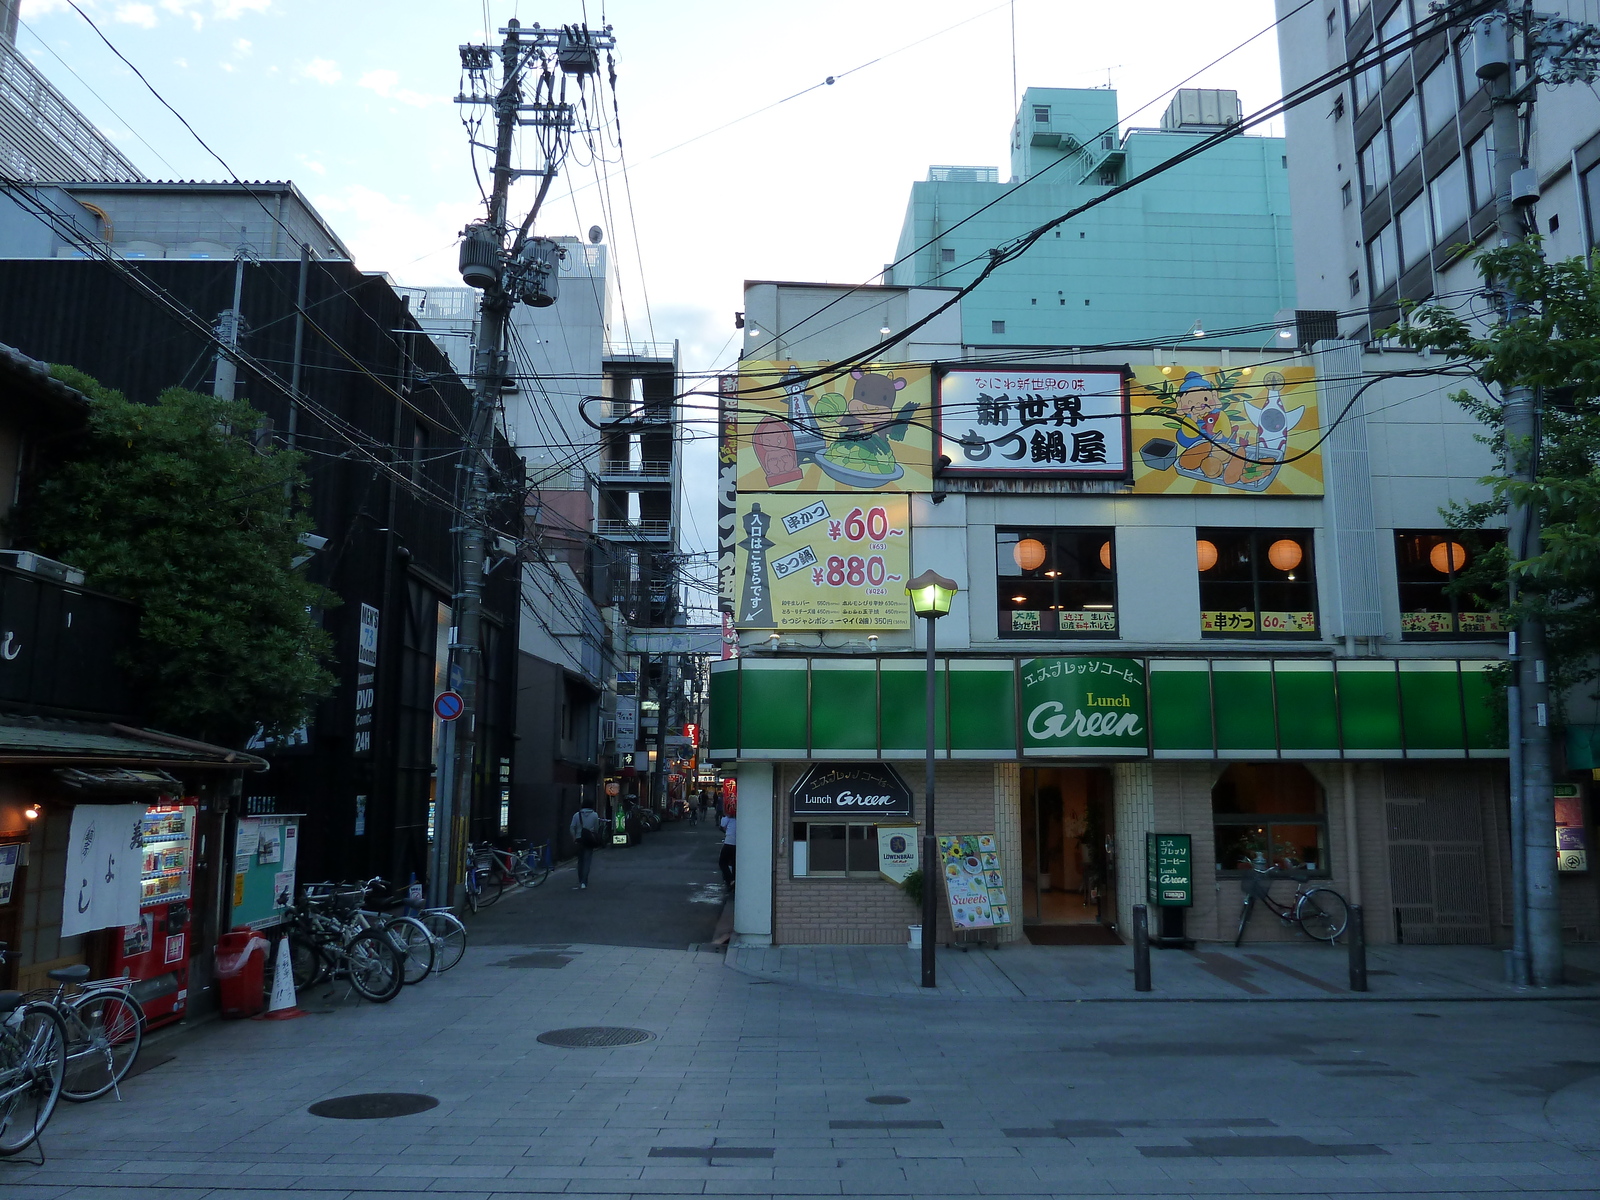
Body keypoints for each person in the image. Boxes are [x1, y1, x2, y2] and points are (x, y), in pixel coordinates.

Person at [569, 801, 603, 889]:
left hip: (579, 839)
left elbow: (572, 827)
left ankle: (580, 880)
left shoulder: (577, 815)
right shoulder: (595, 815)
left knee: (580, 861)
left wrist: (574, 838)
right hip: (589, 840)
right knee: (587, 861)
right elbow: (596, 828)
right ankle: (584, 881)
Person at [719, 803, 737, 889]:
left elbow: (722, 825)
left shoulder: (728, 818)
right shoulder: (742, 818)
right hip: (738, 844)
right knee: (734, 863)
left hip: (729, 842)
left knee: (722, 862)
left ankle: (730, 880)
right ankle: (734, 880)